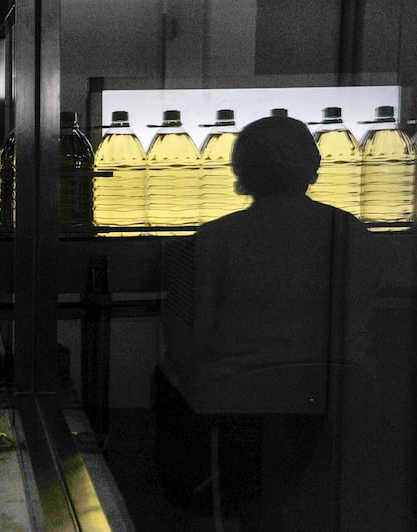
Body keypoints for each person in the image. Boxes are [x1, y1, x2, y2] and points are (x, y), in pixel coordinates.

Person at [154, 116, 375, 524]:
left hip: (237, 405)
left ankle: (195, 502)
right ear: (313, 167)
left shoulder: (213, 240)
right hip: (332, 400)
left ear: (241, 169)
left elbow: (183, 341)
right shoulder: (350, 232)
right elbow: (360, 321)